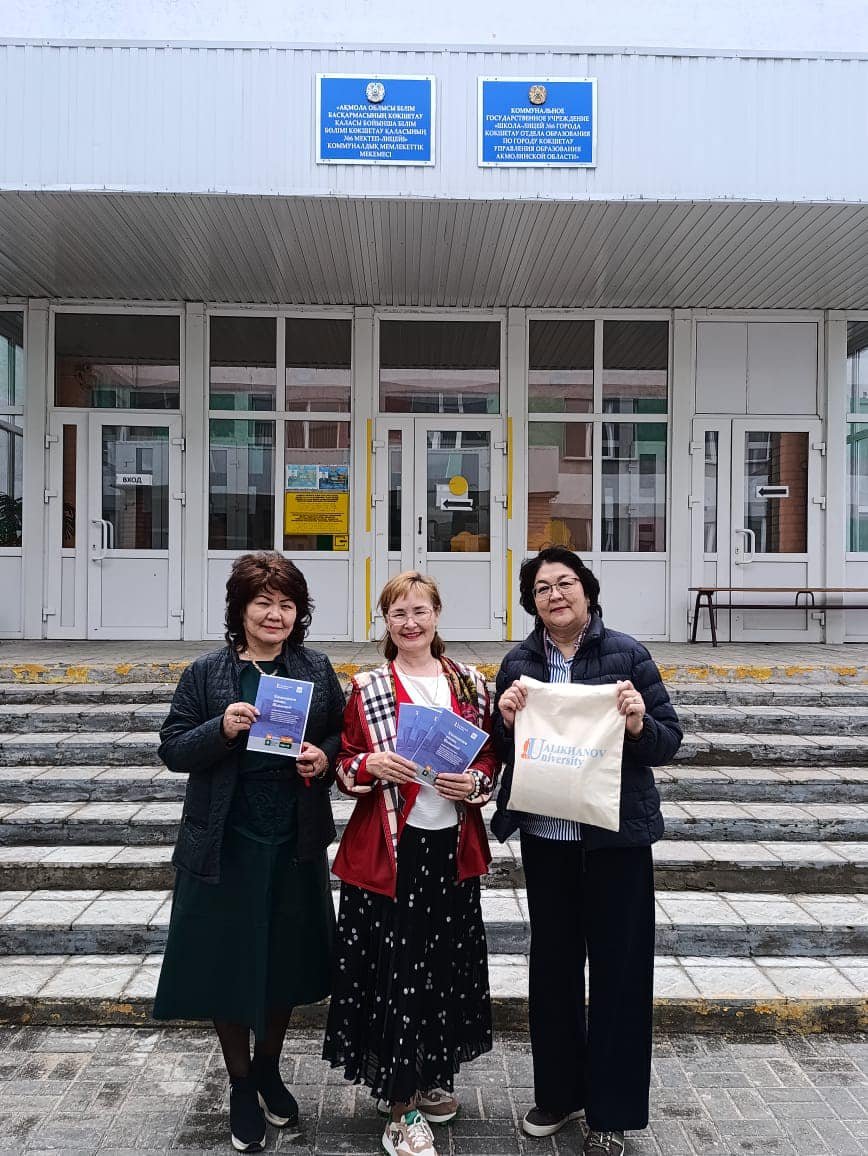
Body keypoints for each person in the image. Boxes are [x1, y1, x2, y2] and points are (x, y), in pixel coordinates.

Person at [491, 546, 682, 1156]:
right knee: (553, 969)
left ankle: (612, 1112)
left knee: (620, 974)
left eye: (565, 583)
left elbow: (668, 741)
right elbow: (500, 750)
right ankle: (558, 1093)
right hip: (548, 842)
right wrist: (504, 719)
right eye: (542, 588)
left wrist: (637, 723)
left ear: (588, 591)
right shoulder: (519, 662)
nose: (555, 595)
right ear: (532, 603)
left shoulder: (628, 654)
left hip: (615, 843)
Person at [153, 551, 345, 1153]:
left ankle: (268, 1069)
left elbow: (340, 732)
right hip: (224, 841)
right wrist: (222, 728)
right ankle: (240, 1084)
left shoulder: (314, 668)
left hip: (292, 837)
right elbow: (173, 748)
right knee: (228, 962)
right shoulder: (207, 673)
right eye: (263, 602)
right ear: (240, 609)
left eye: (287, 604)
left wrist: (323, 756)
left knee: (282, 961)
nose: (275, 614)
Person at [323, 571, 499, 1156]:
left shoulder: (470, 682)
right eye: (398, 613)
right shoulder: (368, 685)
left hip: (450, 845)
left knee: (441, 967)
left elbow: (489, 758)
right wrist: (371, 765)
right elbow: (346, 763)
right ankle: (400, 1110)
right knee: (395, 973)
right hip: (390, 851)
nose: (410, 622)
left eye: (420, 611)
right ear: (386, 622)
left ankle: (423, 1078)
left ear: (437, 615)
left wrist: (475, 782)